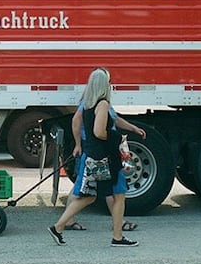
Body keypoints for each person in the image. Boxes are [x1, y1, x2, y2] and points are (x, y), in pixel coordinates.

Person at [48, 68, 139, 247]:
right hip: (106, 158)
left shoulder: (88, 104)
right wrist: (116, 138)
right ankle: (117, 237)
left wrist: (132, 128)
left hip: (93, 155)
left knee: (88, 196)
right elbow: (99, 131)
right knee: (119, 195)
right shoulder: (103, 104)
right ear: (105, 85)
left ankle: (58, 227)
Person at [63, 71, 146, 231]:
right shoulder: (92, 103)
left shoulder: (102, 103)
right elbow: (76, 121)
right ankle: (65, 222)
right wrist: (78, 144)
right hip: (94, 149)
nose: (111, 84)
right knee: (85, 188)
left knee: (105, 188)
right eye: (109, 81)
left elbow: (115, 119)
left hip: (100, 149)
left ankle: (118, 224)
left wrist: (133, 128)